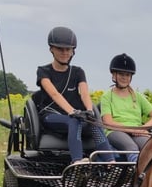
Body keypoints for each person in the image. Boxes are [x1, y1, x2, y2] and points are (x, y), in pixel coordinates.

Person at [35, 26, 114, 164]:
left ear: (73, 51)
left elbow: (84, 93)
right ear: (51, 49)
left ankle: (110, 162)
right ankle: (77, 161)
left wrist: (89, 111)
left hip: (76, 116)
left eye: (68, 49)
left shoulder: (78, 72)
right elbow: (54, 94)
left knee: (94, 122)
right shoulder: (43, 71)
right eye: (60, 49)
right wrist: (72, 112)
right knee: (74, 120)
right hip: (51, 116)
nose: (65, 52)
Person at [99, 54, 152, 163]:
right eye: (121, 74)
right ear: (114, 75)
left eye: (127, 75)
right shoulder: (107, 96)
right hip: (115, 131)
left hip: (137, 131)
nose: (124, 77)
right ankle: (134, 174)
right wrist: (131, 130)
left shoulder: (137, 96)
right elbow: (108, 121)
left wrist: (143, 128)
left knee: (151, 146)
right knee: (131, 147)